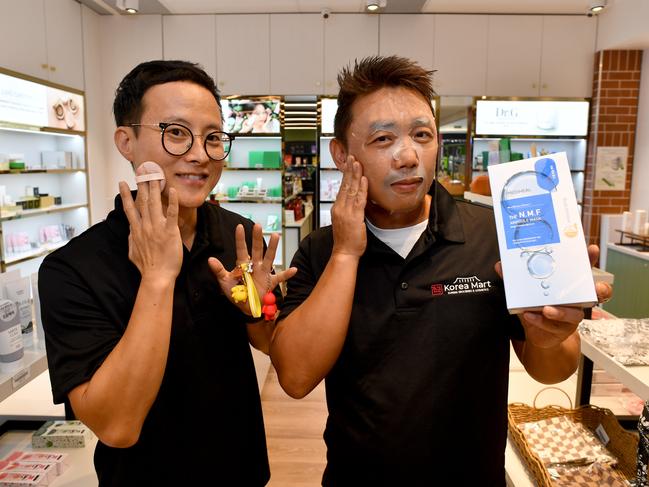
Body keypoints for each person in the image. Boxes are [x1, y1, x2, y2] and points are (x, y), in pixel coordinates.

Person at [269, 55, 612, 486]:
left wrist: (550, 334)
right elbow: (296, 378)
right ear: (342, 153)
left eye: (421, 135)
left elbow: (552, 370)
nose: (408, 156)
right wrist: (345, 255)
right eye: (382, 139)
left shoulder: (494, 235)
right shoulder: (321, 249)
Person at [39, 60, 295, 486]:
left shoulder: (235, 236)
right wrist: (158, 278)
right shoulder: (72, 269)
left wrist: (256, 309)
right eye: (176, 133)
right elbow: (118, 426)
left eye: (213, 138)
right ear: (126, 140)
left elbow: (278, 352)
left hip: (243, 471)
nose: (199, 154)